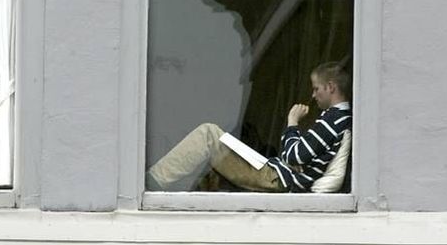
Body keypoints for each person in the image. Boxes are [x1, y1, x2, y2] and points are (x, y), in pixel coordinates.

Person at [145, 61, 352, 193]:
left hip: (276, 177)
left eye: (316, 89)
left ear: (331, 87)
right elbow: (296, 155)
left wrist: (292, 122)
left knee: (208, 134)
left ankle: (150, 183)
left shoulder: (334, 119)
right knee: (213, 137)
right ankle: (156, 181)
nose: (313, 95)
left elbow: (292, 156)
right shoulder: (337, 119)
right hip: (275, 172)